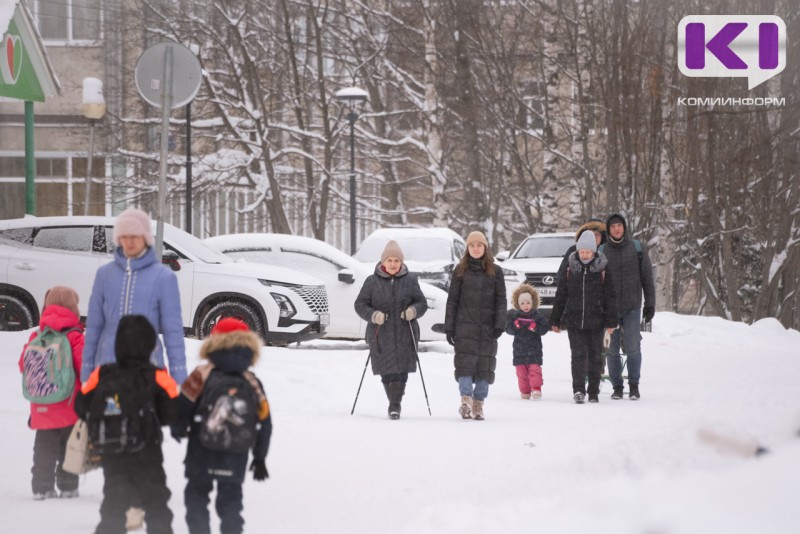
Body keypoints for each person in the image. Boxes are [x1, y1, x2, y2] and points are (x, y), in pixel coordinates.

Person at [75, 314, 179, 534]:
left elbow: (81, 405)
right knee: (156, 504)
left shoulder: (102, 373)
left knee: (114, 503)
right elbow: (172, 412)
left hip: (113, 452)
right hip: (147, 452)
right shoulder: (158, 375)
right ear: (150, 344)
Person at [171, 317, 272, 534]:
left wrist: (178, 428)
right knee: (231, 504)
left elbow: (182, 406)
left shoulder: (201, 374)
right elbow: (265, 422)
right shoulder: (252, 381)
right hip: (235, 453)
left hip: (201, 449)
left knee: (196, 497)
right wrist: (260, 458)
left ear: (213, 342)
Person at [81, 207, 187, 385]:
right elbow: (94, 326)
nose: (129, 242)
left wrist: (179, 375)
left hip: (148, 367)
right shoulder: (104, 275)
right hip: (108, 365)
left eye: (134, 236)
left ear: (145, 238)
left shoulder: (164, 277)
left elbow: (173, 331)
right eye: (124, 236)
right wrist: (87, 368)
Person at [18, 286, 84, 500]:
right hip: (68, 404)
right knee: (69, 447)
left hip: (41, 402)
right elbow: (85, 367)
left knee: (44, 447)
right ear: (73, 307)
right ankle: (67, 487)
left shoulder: (37, 335)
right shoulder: (74, 336)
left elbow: (23, 366)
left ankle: (41, 487)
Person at [354, 240, 428, 419]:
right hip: (381, 334)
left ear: (401, 262)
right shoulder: (372, 281)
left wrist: (413, 311)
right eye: (390, 260)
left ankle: (395, 405)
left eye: (396, 260)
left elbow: (422, 303)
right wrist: (374, 315)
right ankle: (393, 401)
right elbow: (360, 304)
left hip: (405, 332)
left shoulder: (410, 280)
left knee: (402, 371)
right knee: (386, 371)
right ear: (383, 262)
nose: (393, 264)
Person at [444, 231, 506, 420]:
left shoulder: (496, 271)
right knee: (464, 366)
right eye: (472, 245)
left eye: (479, 245)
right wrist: (450, 327)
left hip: (487, 329)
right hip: (465, 328)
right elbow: (452, 300)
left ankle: (478, 404)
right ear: (467, 249)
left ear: (485, 248)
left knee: (483, 369)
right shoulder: (460, 271)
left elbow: (501, 301)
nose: (476, 248)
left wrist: (499, 324)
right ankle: (465, 400)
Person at [550, 231, 617, 404]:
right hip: (574, 320)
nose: (585, 255)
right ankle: (578, 390)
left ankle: (593, 390)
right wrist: (555, 319)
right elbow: (561, 295)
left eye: (588, 252)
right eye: (582, 252)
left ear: (594, 252)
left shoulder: (602, 269)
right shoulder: (570, 269)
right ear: (578, 251)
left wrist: (611, 320)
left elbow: (611, 296)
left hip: (597, 320)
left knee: (595, 357)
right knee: (577, 356)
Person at [600, 212, 656, 400]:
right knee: (612, 350)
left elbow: (647, 279)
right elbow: (596, 282)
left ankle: (634, 386)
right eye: (613, 226)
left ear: (624, 227)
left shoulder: (637, 248)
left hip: (632, 306)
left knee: (633, 347)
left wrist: (650, 304)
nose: (616, 229)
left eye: (619, 225)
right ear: (609, 230)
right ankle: (617, 386)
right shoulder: (602, 251)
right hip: (610, 310)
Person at [505, 284, 549, 399]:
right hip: (519, 350)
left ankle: (536, 388)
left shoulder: (538, 316)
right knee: (521, 373)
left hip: (534, 349)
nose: (526, 306)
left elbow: (544, 329)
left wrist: (535, 328)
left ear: (532, 303)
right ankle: (525, 391)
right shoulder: (514, 316)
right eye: (523, 303)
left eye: (528, 303)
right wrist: (515, 326)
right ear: (518, 305)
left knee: (535, 370)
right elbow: (508, 330)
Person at [556, 218, 607, 283]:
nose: (594, 237)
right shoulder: (573, 251)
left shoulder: (607, 250)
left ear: (602, 236)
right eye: (591, 234)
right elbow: (562, 275)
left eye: (597, 234)